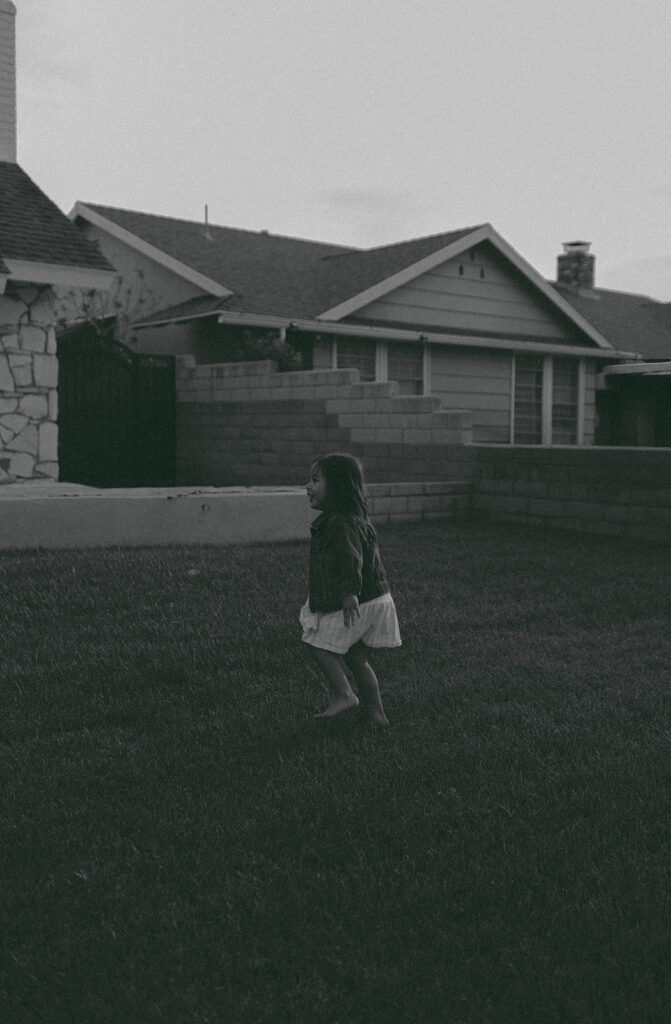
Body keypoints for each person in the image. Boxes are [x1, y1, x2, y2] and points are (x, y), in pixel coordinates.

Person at [300, 453, 401, 727]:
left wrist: (349, 593)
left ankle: (345, 695)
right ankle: (377, 715)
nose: (308, 486)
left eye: (315, 480)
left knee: (317, 643)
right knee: (357, 658)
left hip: (359, 598)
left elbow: (350, 560)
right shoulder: (353, 518)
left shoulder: (340, 523)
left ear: (338, 486)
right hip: (378, 597)